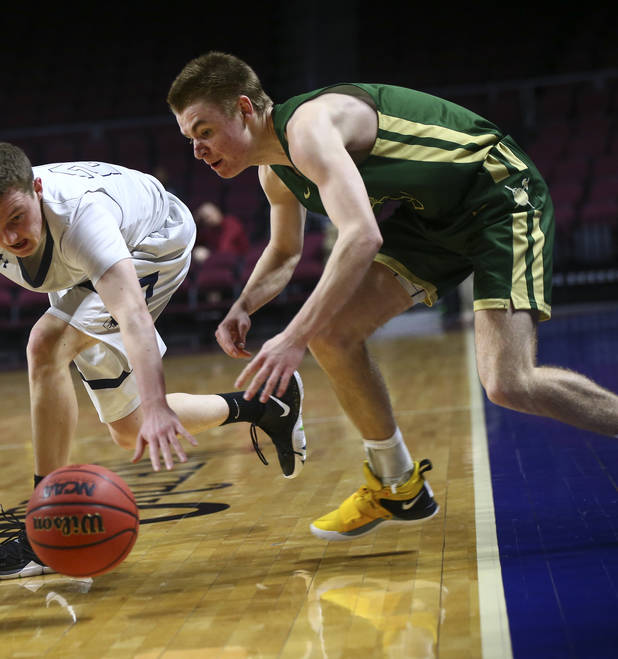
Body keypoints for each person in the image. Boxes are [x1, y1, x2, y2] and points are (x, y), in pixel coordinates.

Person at [167, 52, 618, 541]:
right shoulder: (274, 172)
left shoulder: (309, 129)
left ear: (244, 108)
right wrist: (243, 305)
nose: (197, 150)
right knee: (334, 337)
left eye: (205, 131)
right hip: (432, 221)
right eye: (189, 139)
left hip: (496, 194)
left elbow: (362, 236)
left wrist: (293, 336)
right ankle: (396, 485)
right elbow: (283, 251)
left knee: (509, 383)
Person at [0, 142, 307, 580]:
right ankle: (266, 404)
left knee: (46, 344)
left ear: (36, 190)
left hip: (153, 240)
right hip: (81, 264)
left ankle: (43, 530)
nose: (7, 236)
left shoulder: (82, 217)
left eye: (16, 218)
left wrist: (160, 401)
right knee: (129, 429)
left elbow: (133, 315)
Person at [192, 200, 249, 265]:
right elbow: (196, 243)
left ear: (217, 211)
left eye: (210, 215)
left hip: (238, 260)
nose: (208, 220)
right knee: (198, 253)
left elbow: (224, 248)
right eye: (205, 218)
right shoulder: (208, 228)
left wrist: (210, 254)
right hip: (219, 258)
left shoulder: (231, 223)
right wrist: (196, 220)